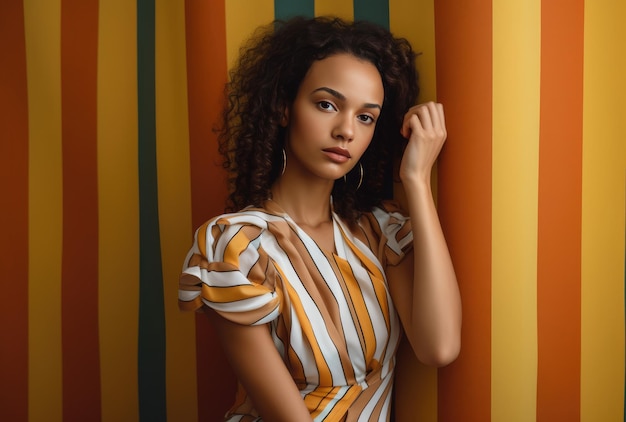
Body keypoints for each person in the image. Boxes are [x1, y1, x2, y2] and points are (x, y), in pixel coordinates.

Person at [179, 16, 461, 421]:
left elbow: (439, 347)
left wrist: (416, 180)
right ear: (283, 108)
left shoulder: (377, 230)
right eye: (327, 104)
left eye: (366, 117)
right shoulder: (236, 246)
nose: (346, 130)